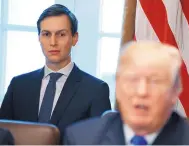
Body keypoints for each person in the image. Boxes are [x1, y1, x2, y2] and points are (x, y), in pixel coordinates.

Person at [63, 41, 189, 145]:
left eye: (155, 81)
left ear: (175, 91)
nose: (142, 92)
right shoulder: (81, 138)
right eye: (132, 79)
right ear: (117, 86)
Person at [0, 4, 111, 140]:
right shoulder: (18, 85)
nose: (53, 42)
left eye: (61, 34)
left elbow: (100, 141)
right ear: (39, 38)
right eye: (46, 34)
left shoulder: (96, 90)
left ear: (75, 38)